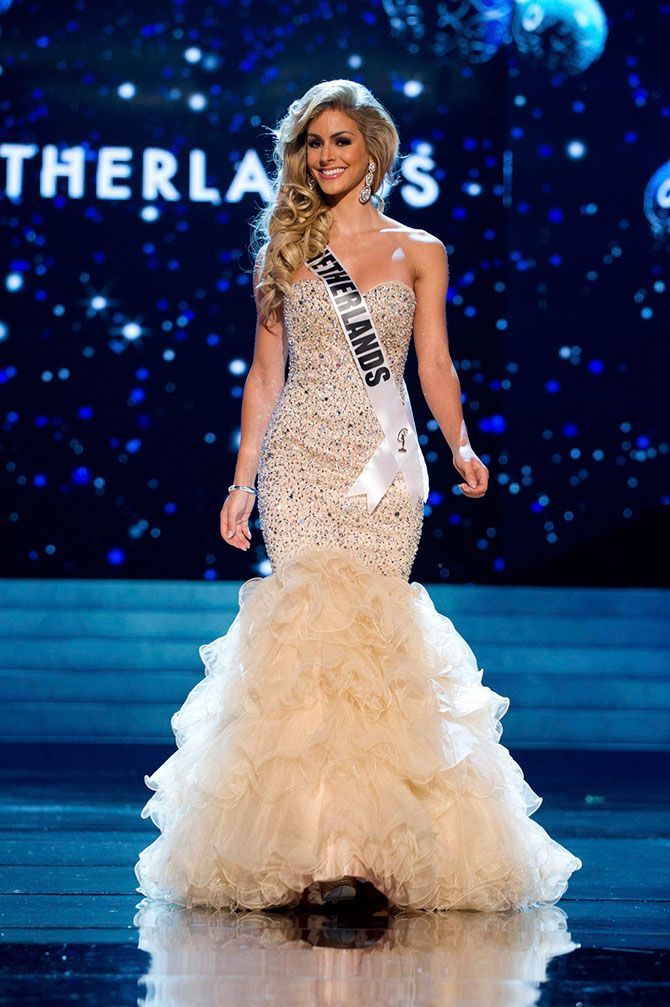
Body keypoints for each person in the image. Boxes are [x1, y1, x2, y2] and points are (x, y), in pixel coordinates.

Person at [134, 79, 582, 912]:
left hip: (384, 461)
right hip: (300, 463)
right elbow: (265, 375)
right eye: (314, 142)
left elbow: (435, 364)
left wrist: (459, 442)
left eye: (342, 140)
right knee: (307, 641)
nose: (327, 155)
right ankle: (310, 849)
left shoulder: (421, 249)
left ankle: (373, 850)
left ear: (373, 150)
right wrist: (242, 480)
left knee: (373, 642)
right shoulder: (283, 242)